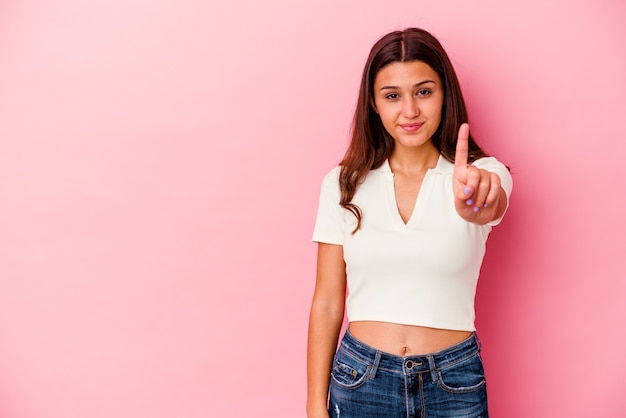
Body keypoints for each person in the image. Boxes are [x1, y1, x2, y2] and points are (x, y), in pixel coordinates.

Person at [307, 28, 512, 418]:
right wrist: (315, 404)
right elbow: (328, 301)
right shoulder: (342, 183)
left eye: (423, 91)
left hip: (453, 382)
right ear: (373, 103)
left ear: (444, 94)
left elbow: (491, 200)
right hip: (359, 380)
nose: (410, 111)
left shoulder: (480, 173)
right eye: (392, 96)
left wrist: (478, 203)